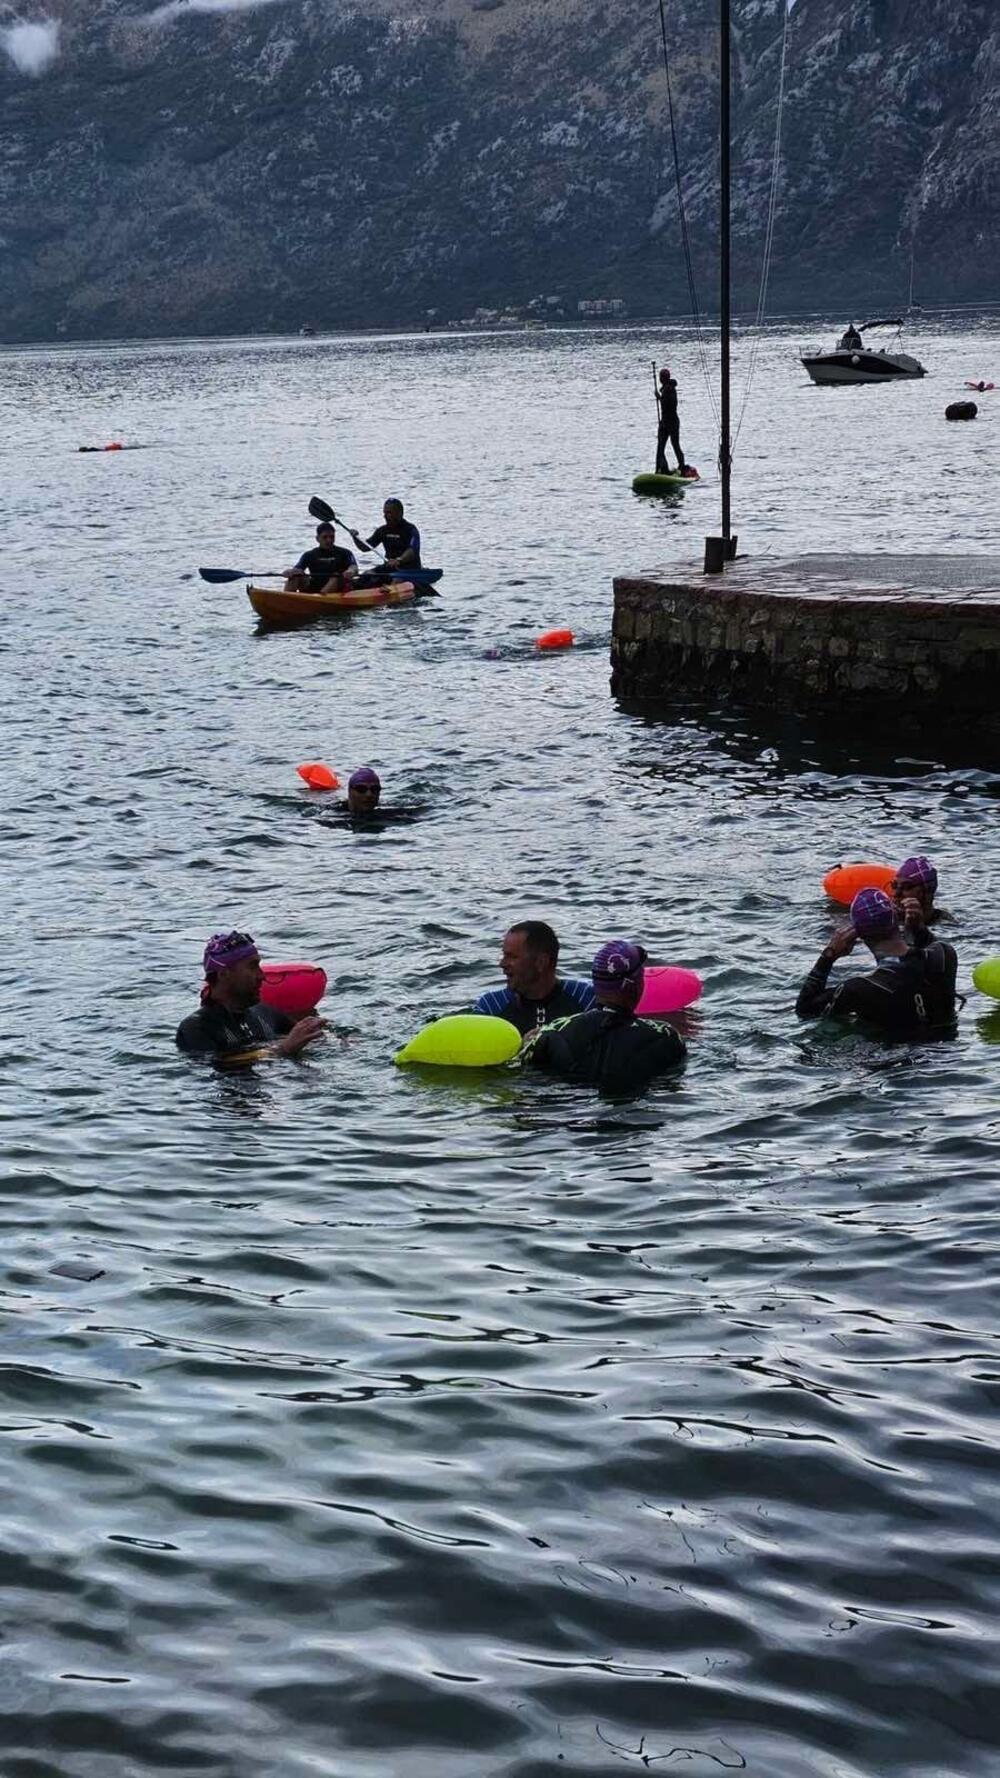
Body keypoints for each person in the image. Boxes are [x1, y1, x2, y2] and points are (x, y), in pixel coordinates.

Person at [520, 940, 686, 1095]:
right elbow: (671, 1087)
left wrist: (526, 1043)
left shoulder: (551, 1033)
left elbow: (524, 1073)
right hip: (634, 1116)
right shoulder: (666, 1036)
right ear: (635, 985)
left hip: (569, 1113)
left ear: (595, 983)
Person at [795, 888, 958, 1038]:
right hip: (946, 1054)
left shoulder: (857, 990)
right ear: (895, 919)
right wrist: (918, 928)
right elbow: (919, 957)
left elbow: (805, 1010)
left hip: (894, 1064)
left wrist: (828, 956)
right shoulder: (945, 955)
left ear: (859, 935)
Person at [176, 930, 325, 1063]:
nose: (261, 976)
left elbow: (309, 1038)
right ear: (224, 974)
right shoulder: (195, 1028)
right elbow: (215, 1064)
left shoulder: (265, 1013)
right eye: (252, 966)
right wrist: (282, 1050)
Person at [474, 920, 595, 1036]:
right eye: (504, 955)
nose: (502, 963)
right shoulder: (491, 1007)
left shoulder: (586, 999)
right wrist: (522, 1048)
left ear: (541, 962)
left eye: (512, 957)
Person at [284, 521, 358, 593]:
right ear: (317, 538)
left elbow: (354, 566)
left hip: (335, 587)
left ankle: (321, 598)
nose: (329, 540)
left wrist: (350, 571)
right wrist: (290, 572)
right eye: (325, 537)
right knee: (296, 574)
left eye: (332, 537)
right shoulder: (309, 555)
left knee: (336, 576)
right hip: (315, 587)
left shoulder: (345, 552)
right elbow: (298, 568)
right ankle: (285, 599)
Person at [355, 498, 421, 570]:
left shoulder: (410, 529)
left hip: (409, 569)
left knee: (396, 581)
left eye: (389, 513)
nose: (385, 516)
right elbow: (365, 547)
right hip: (390, 567)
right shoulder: (382, 530)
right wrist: (355, 538)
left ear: (400, 513)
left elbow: (412, 551)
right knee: (367, 575)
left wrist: (398, 560)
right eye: (385, 513)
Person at [891, 854, 946, 925]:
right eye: (894, 885)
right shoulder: (889, 919)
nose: (896, 894)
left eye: (906, 887)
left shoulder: (945, 924)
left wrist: (917, 928)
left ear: (927, 892)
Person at [655, 367, 687, 476]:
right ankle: (662, 467)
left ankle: (681, 465)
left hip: (672, 422)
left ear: (665, 378)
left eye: (661, 377)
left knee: (674, 444)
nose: (660, 379)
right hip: (664, 422)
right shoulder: (665, 389)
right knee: (661, 446)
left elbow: (670, 405)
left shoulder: (670, 389)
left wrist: (660, 398)